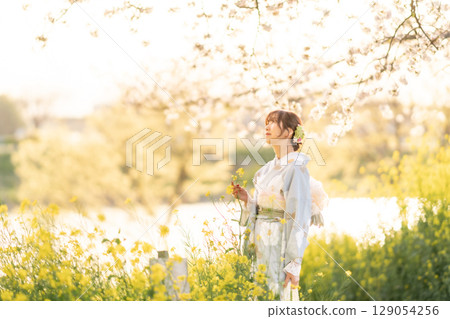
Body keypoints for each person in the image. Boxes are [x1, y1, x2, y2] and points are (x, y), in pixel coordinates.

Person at [231, 109, 327, 301]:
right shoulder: (265, 170)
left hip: (281, 243)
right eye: (267, 122)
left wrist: (294, 264)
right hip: (262, 241)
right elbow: (262, 209)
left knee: (281, 299)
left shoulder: (296, 169)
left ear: (288, 132)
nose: (267, 126)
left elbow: (299, 217)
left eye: (273, 122)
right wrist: (248, 200)